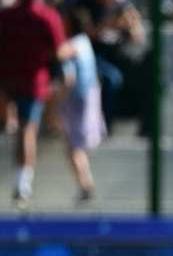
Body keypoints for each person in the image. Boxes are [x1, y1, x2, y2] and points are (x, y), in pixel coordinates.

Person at [0, 0, 73, 207]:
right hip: (32, 82)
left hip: (8, 81)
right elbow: (59, 51)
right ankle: (23, 184)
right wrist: (73, 50)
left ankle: (21, 181)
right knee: (28, 131)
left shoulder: (6, 16)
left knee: (23, 131)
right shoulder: (47, 16)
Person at [59, 8, 106, 203]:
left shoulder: (71, 46)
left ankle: (86, 185)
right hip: (89, 94)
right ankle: (86, 182)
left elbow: (68, 78)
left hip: (77, 98)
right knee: (77, 143)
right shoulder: (85, 42)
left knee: (74, 146)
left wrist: (55, 103)